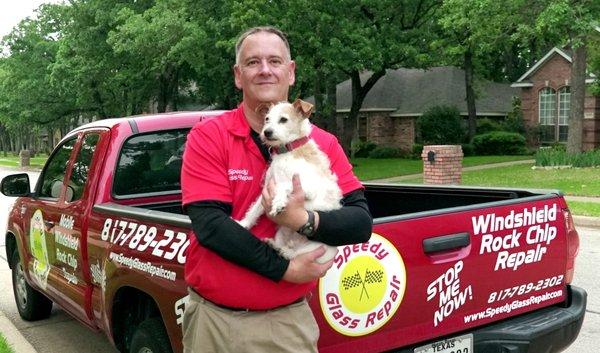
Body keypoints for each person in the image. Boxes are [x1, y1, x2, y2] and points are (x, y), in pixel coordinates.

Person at [180, 26, 372, 353]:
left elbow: (359, 223)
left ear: (291, 71)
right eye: (253, 62)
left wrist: (301, 220)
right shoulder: (208, 136)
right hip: (217, 322)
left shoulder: (322, 144)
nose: (265, 70)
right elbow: (210, 227)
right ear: (238, 76)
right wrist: (285, 268)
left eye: (275, 61)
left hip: (288, 323)